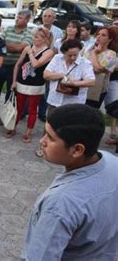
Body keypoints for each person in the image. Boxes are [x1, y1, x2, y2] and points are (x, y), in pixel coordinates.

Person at [22, 104, 118, 260]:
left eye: (50, 137)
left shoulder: (60, 204)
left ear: (77, 150)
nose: (42, 140)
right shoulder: (112, 162)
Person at [9, 27, 55, 142]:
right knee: (18, 108)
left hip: (36, 85)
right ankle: (13, 127)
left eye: (37, 37)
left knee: (32, 109)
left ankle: (28, 132)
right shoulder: (27, 48)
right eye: (34, 36)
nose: (34, 39)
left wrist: (30, 53)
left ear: (44, 39)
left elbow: (35, 64)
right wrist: (14, 81)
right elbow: (18, 64)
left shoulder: (48, 52)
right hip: (21, 83)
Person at [0, 9, 33, 121]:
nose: (17, 19)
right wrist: (14, 47)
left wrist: (8, 45)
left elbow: (21, 48)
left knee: (10, 94)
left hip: (15, 68)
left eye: (20, 17)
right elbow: (0, 44)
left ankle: (4, 118)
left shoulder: (29, 34)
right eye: (17, 17)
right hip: (1, 65)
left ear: (27, 20)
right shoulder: (8, 29)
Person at [43, 39, 95, 115]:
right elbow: (46, 75)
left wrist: (74, 84)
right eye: (69, 55)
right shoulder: (57, 58)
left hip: (74, 104)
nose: (73, 58)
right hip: (54, 101)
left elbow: (91, 81)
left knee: (70, 126)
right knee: (50, 125)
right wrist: (62, 75)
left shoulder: (85, 63)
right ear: (63, 52)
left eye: (75, 55)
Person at [81, 27, 117, 108]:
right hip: (82, 85)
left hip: (96, 89)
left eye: (103, 35)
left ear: (110, 39)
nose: (99, 36)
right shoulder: (89, 48)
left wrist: (94, 53)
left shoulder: (111, 54)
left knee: (89, 114)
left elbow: (98, 69)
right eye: (98, 34)